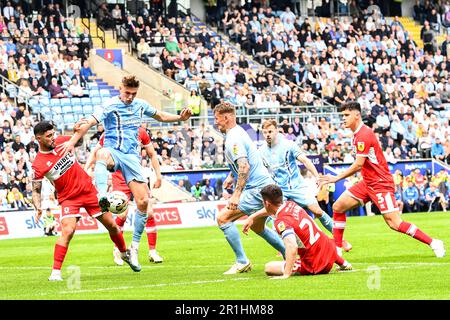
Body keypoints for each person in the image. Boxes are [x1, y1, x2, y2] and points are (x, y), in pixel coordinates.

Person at [56, 75, 192, 271]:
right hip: (114, 151)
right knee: (101, 154)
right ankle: (102, 196)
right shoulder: (110, 105)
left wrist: (180, 117)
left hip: (132, 158)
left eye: (133, 94)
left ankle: (134, 249)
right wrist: (72, 140)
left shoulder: (141, 105)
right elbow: (90, 122)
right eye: (127, 93)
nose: (129, 97)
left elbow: (160, 116)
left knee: (144, 203)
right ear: (120, 89)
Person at [318, 102, 445, 258]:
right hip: (368, 182)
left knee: (395, 223)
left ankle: (434, 242)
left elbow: (358, 165)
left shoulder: (363, 135)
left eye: (346, 115)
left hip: (380, 184)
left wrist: (335, 178)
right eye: (342, 115)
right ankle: (337, 253)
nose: (342, 119)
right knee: (338, 207)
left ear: (356, 115)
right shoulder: (358, 134)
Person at [31, 121, 140, 281]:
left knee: (112, 226)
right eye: (48, 136)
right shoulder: (38, 164)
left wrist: (77, 132)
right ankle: (55, 273)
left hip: (89, 191)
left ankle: (124, 254)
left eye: (53, 134)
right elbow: (36, 189)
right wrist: (38, 207)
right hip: (69, 198)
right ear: (38, 138)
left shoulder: (61, 141)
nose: (53, 138)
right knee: (68, 230)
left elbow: (80, 141)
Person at [259, 119, 352, 251]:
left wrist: (317, 176)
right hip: (279, 191)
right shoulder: (261, 151)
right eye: (265, 132)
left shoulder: (288, 145)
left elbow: (305, 160)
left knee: (317, 211)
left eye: (270, 131)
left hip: (297, 186)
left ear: (276, 131)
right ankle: (286, 247)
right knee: (277, 218)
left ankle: (340, 240)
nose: (267, 134)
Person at [213, 102, 285, 274]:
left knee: (223, 219)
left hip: (256, 189)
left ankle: (242, 261)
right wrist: (232, 176)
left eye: (217, 119)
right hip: (264, 186)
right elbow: (244, 163)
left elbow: (244, 166)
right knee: (258, 227)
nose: (216, 123)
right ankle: (289, 253)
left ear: (226, 117)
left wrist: (236, 195)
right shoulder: (239, 132)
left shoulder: (234, 137)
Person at [84, 126, 164, 265]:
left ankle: (152, 251)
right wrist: (86, 170)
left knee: (149, 212)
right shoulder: (110, 131)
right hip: (120, 178)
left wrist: (158, 175)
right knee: (122, 215)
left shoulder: (141, 131)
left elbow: (152, 154)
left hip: (136, 175)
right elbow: (95, 152)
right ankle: (118, 250)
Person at [244, 184, 352, 279]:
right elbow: (270, 209)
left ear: (266, 203)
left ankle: (294, 269)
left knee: (269, 267)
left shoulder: (281, 222)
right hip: (329, 251)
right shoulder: (290, 204)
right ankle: (343, 263)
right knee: (317, 239)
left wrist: (286, 274)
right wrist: (252, 217)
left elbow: (292, 247)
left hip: (316, 265)